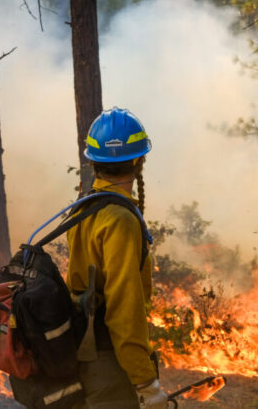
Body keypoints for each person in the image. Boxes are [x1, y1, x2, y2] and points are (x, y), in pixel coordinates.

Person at [66, 107, 168, 409]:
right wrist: (145, 382)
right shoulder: (119, 219)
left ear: (94, 160)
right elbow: (123, 309)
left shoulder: (84, 209)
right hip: (109, 364)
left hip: (84, 356)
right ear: (138, 160)